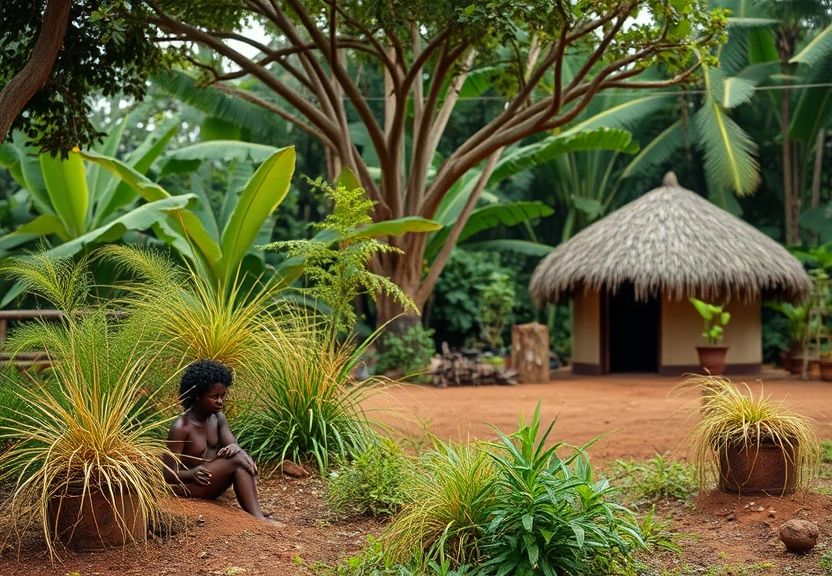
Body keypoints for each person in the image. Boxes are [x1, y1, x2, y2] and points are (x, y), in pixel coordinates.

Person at [163, 359, 270, 521]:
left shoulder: (218, 418)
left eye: (222, 396)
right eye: (214, 397)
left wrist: (237, 449)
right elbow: (168, 474)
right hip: (190, 488)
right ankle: (259, 518)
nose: (220, 401)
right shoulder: (182, 427)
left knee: (240, 459)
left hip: (212, 484)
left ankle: (256, 513)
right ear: (197, 396)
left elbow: (232, 446)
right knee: (240, 459)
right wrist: (191, 473)